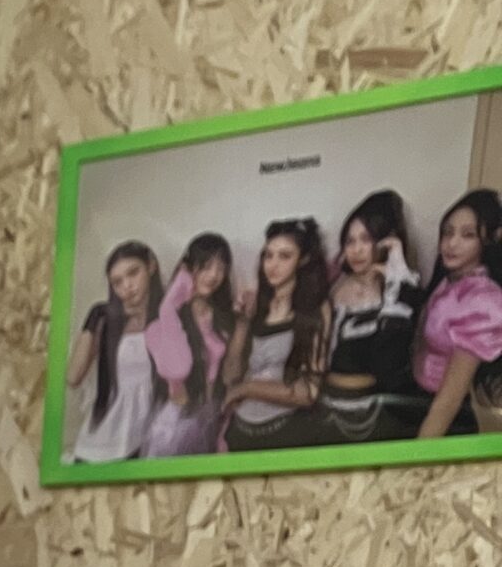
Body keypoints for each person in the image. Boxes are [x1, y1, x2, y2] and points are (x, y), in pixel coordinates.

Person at [319, 190, 424, 443]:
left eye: (366, 239)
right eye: (349, 241)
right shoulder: (335, 287)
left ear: (384, 241)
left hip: (379, 410)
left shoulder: (401, 289)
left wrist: (396, 282)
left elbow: (392, 361)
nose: (356, 249)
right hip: (329, 406)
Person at [223, 218, 328, 454]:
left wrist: (247, 388)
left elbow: (308, 393)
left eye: (284, 256)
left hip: (286, 434)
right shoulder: (258, 305)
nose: (273, 265)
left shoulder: (314, 309)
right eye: (268, 256)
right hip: (241, 433)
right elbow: (230, 376)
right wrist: (242, 323)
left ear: (303, 260)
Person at [414, 190, 502, 440]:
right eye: (448, 232)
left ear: (488, 240)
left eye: (467, 235)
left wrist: (418, 453)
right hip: (418, 402)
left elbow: (450, 399)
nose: (452, 244)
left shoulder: (483, 301)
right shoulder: (450, 281)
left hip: (444, 420)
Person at [67, 240, 161, 465]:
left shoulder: (167, 317)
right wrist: (93, 319)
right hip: (100, 442)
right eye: (117, 282)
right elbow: (73, 377)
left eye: (133, 273)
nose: (127, 286)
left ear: (151, 266)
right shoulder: (106, 320)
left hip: (145, 440)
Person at [143, 230, 235, 459]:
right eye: (206, 266)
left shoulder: (221, 317)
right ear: (188, 268)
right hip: (178, 421)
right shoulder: (162, 323)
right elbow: (177, 369)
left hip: (209, 416)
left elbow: (229, 375)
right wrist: (170, 306)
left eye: (221, 268)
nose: (214, 275)